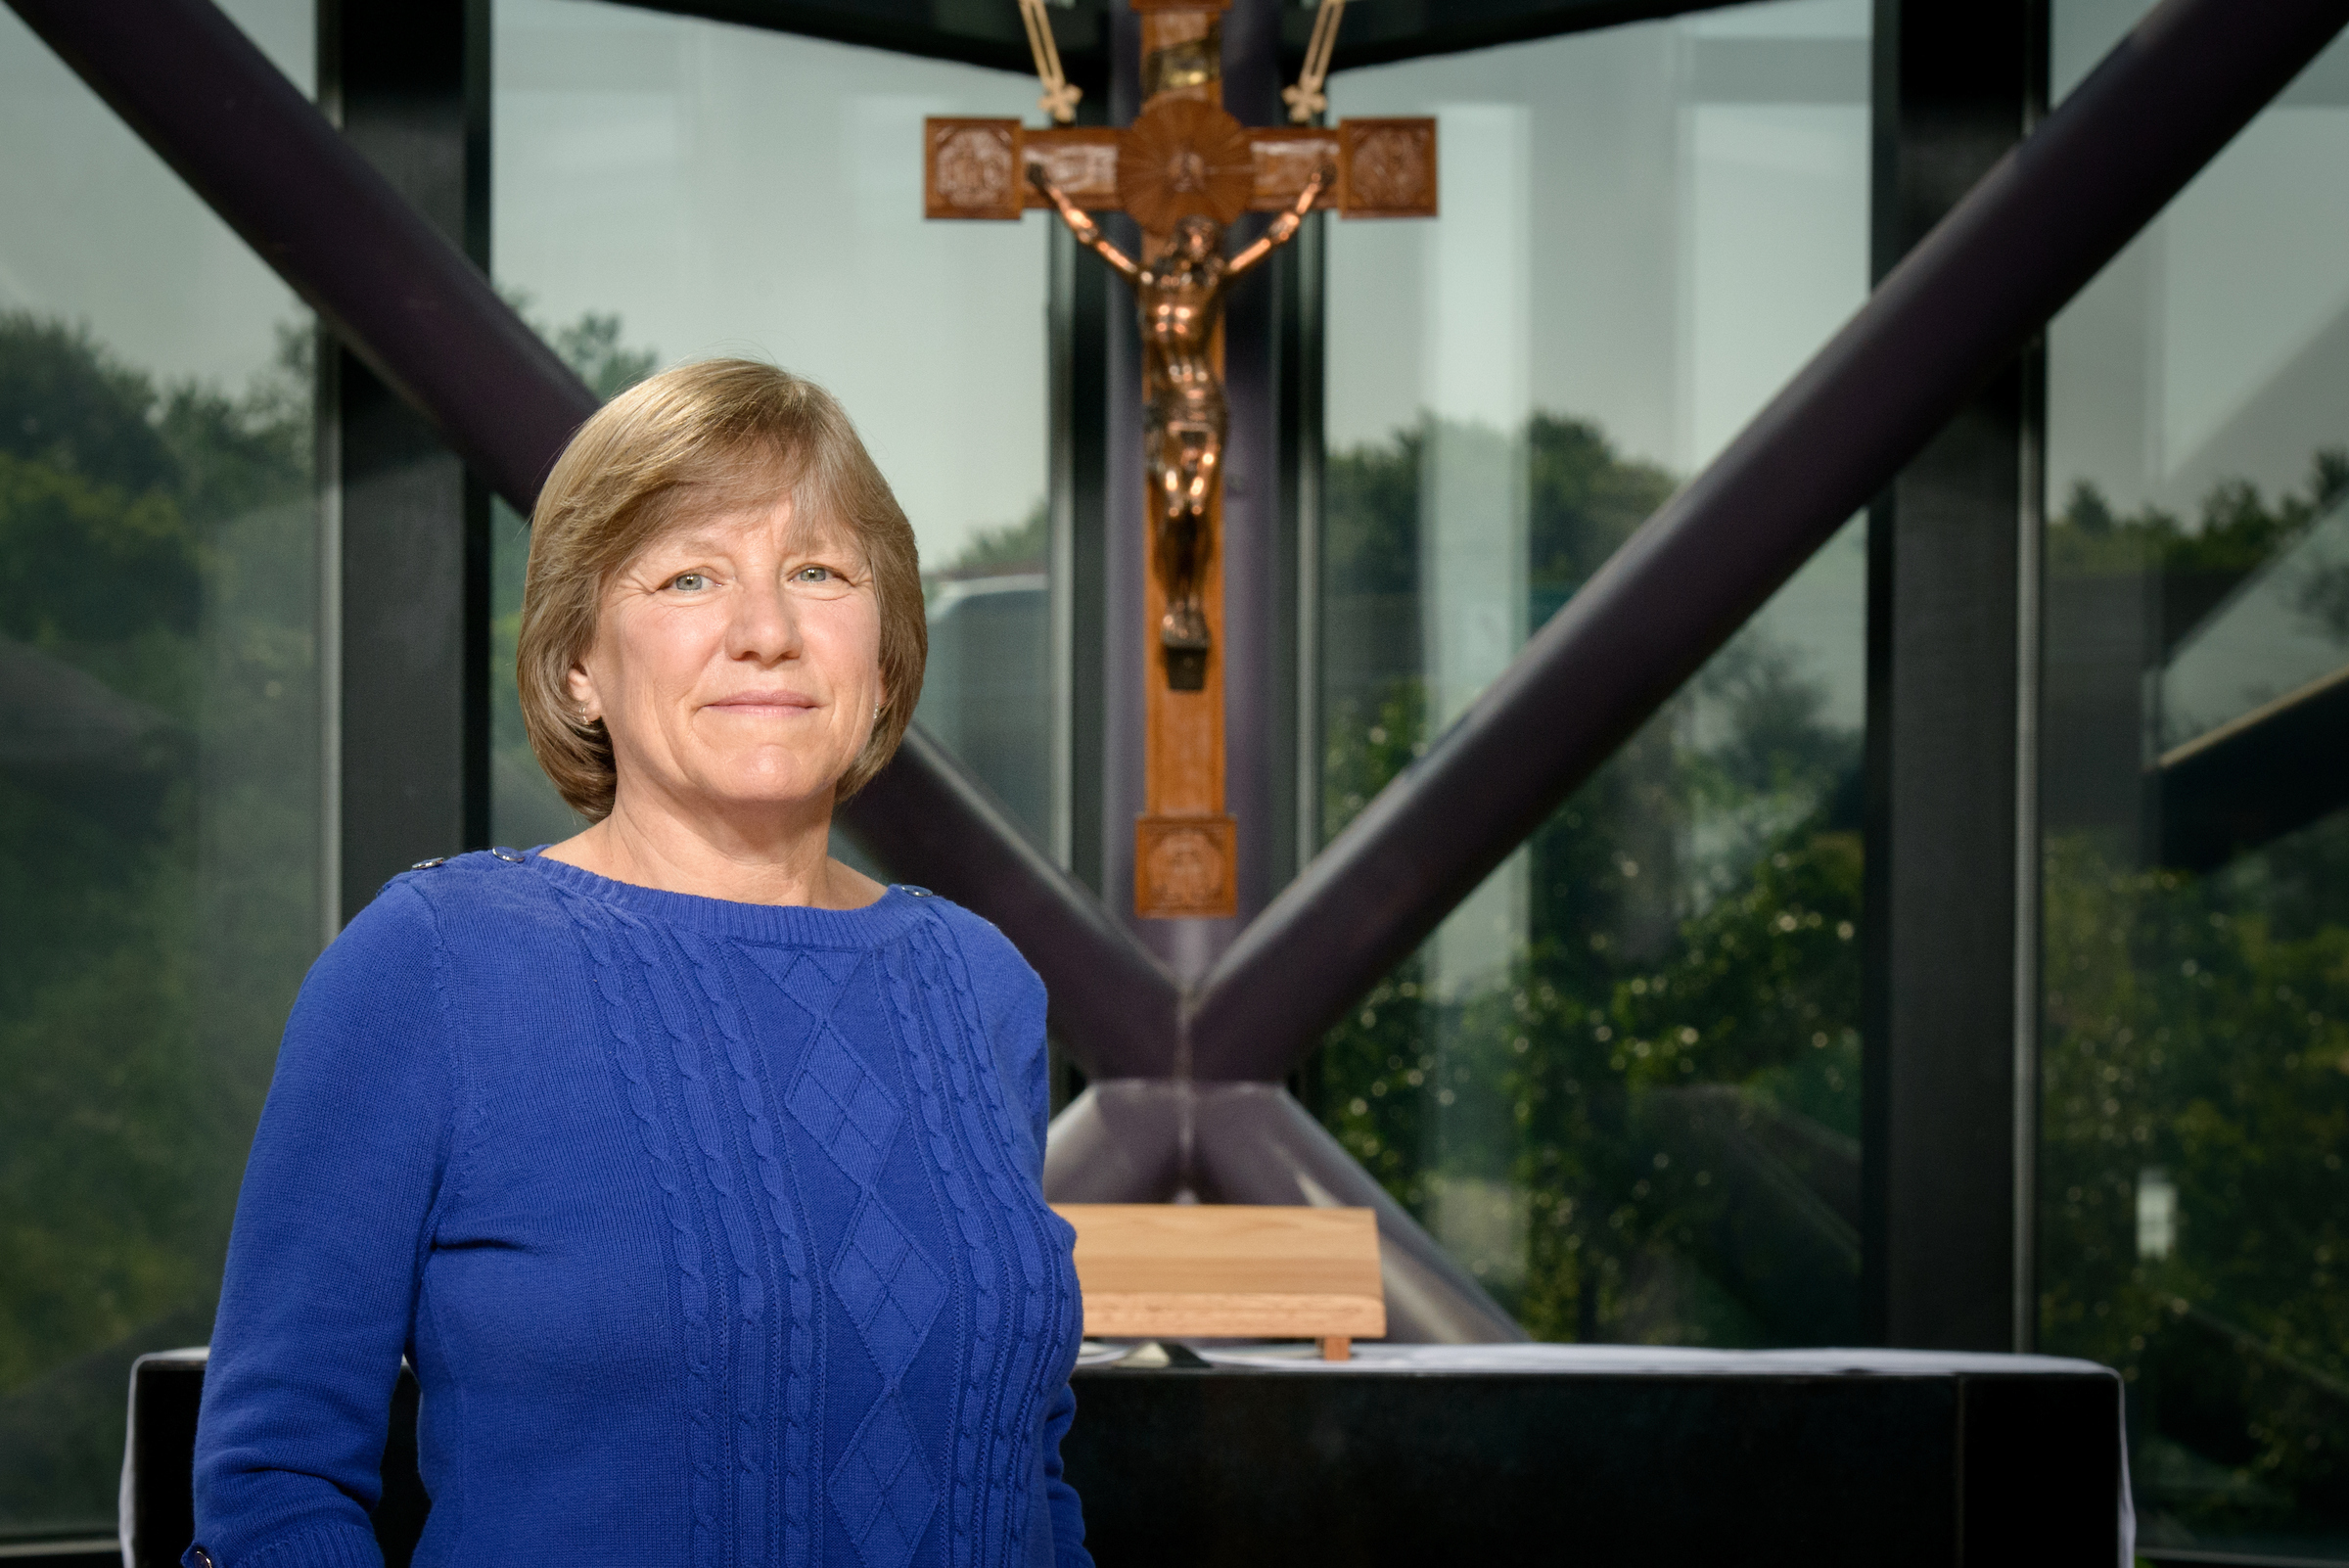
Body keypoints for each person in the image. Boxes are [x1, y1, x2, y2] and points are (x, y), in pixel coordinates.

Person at [185, 360, 1089, 1568]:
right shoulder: (433, 966)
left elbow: (1025, 1464)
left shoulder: (980, 989)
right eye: (690, 577)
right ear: (579, 664)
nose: (766, 632)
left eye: (818, 573)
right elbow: (272, 1482)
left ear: (881, 652)